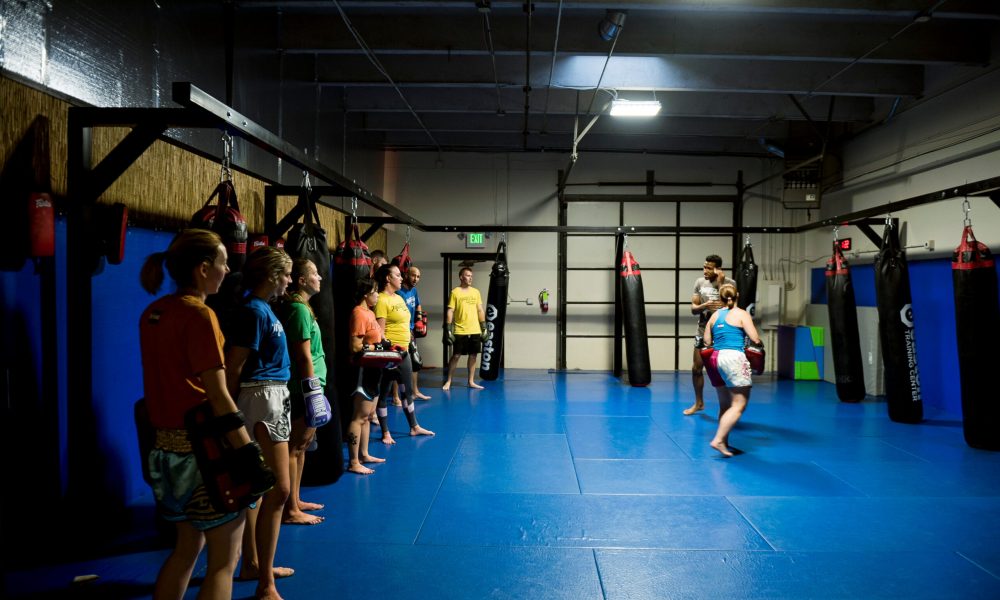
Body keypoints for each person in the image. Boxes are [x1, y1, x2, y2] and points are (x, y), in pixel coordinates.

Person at [138, 229, 253, 600]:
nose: (228, 269)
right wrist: (248, 450)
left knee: (187, 547)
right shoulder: (200, 315)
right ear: (204, 269)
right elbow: (218, 395)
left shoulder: (154, 311)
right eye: (223, 262)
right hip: (203, 455)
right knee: (224, 558)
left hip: (163, 453)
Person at [224, 246, 294, 600]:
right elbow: (234, 365)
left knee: (261, 490)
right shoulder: (254, 311)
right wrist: (229, 416)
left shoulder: (264, 309)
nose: (290, 281)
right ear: (271, 276)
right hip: (262, 397)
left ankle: (254, 566)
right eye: (286, 274)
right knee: (279, 490)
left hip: (271, 395)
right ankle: (266, 585)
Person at [273, 258, 326, 526]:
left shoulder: (305, 308)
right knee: (295, 446)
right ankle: (290, 510)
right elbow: (303, 355)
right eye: (315, 273)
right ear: (303, 280)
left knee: (303, 447)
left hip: (309, 386)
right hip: (303, 388)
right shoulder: (299, 310)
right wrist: (313, 392)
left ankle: (296, 498)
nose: (320, 277)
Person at [373, 264, 435, 443]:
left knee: (407, 392)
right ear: (387, 278)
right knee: (384, 393)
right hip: (390, 354)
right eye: (398, 275)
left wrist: (410, 343)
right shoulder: (382, 300)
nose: (401, 278)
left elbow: (406, 324)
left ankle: (414, 427)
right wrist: (389, 351)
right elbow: (380, 332)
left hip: (404, 352)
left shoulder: (399, 299)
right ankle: (385, 432)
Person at [703, 283, 761, 457]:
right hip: (733, 357)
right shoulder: (742, 314)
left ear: (720, 298)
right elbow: (755, 338)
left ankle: (724, 444)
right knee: (739, 404)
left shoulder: (714, 316)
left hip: (715, 359)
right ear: (737, 295)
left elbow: (707, 341)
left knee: (725, 405)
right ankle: (719, 440)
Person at [684, 254, 735, 416]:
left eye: (708, 267)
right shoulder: (699, 282)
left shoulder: (730, 283)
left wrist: (720, 283)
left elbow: (731, 308)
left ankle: (726, 407)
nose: (704, 270)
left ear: (718, 269)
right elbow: (693, 309)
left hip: (722, 332)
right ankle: (699, 403)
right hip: (702, 329)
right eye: (704, 266)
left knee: (723, 370)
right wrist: (704, 305)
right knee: (696, 368)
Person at [346, 278, 388, 473]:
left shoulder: (370, 313)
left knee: (368, 415)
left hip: (374, 369)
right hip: (363, 369)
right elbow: (355, 346)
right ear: (366, 293)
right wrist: (377, 346)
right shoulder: (359, 313)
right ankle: (354, 462)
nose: (377, 295)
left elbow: (378, 339)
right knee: (359, 416)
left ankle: (364, 454)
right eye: (375, 291)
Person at [443, 266, 487, 391]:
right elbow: (450, 310)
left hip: (475, 329)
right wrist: (448, 328)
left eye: (471, 276)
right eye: (468, 275)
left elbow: (480, 310)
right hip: (460, 329)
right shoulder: (455, 292)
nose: (470, 278)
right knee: (456, 356)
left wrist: (484, 327)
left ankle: (471, 381)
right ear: (461, 277)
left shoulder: (476, 292)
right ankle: (449, 381)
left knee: (473, 356)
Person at [397, 265, 431, 400]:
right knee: (398, 364)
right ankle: (396, 397)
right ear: (406, 275)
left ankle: (415, 391)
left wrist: (419, 320)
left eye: (418, 276)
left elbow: (418, 304)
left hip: (411, 330)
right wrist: (406, 328)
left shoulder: (414, 290)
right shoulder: (399, 292)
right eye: (413, 275)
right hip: (401, 331)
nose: (415, 279)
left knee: (415, 362)